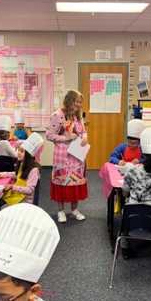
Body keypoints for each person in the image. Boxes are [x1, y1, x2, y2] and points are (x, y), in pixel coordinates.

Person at [118, 126, 151, 257]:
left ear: (144, 154)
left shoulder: (131, 171)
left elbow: (125, 193)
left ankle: (125, 246)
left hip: (131, 213)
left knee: (125, 210)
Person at [46, 88, 89, 223]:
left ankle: (74, 210)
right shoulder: (57, 115)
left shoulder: (77, 115)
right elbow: (49, 135)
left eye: (80, 103)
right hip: (62, 157)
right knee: (61, 182)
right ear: (70, 101)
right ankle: (61, 211)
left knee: (76, 182)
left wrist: (85, 138)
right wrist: (66, 138)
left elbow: (83, 131)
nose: (78, 105)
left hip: (77, 156)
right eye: (77, 102)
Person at [0, 132, 43, 205]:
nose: (18, 153)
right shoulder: (23, 163)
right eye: (19, 150)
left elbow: (29, 190)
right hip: (18, 194)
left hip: (26, 200)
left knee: (2, 209)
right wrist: (2, 174)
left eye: (22, 151)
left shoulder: (34, 169)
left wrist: (12, 187)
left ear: (29, 155)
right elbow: (17, 175)